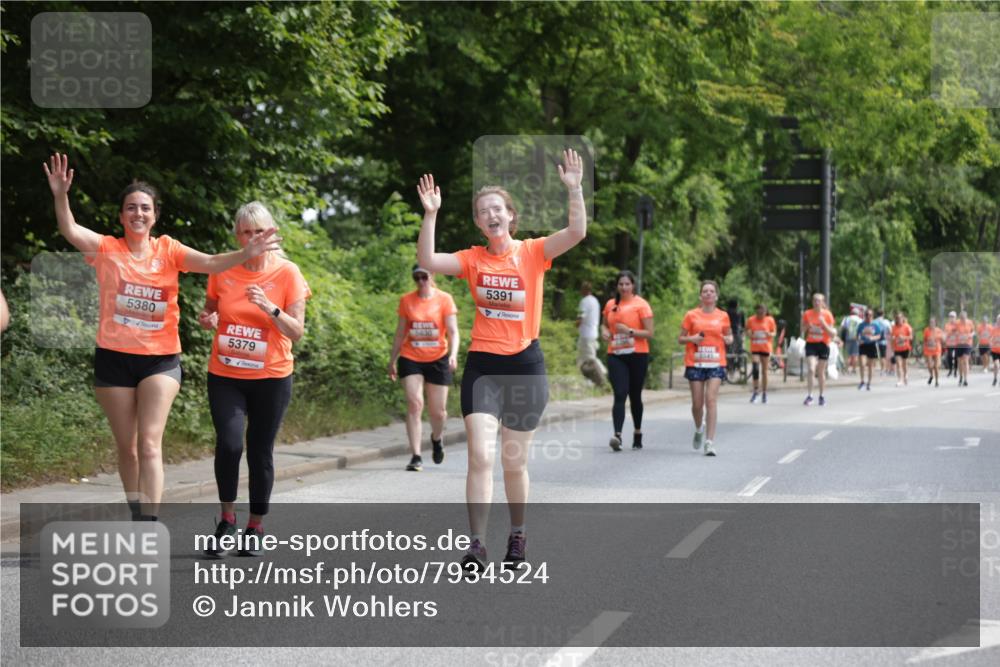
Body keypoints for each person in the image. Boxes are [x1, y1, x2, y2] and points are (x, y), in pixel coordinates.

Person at [43, 153, 280, 522]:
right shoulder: (107, 249)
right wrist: (61, 195)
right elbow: (70, 229)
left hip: (159, 360)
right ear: (121, 216)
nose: (138, 214)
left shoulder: (168, 250)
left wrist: (245, 253)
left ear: (154, 216)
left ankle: (148, 525)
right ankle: (138, 513)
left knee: (150, 443)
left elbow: (212, 262)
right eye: (131, 208)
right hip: (113, 360)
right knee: (128, 448)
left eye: (145, 208)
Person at [415, 148, 586, 572]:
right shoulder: (473, 259)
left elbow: (577, 232)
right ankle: (475, 544)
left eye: (497, 208)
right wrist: (431, 214)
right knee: (480, 456)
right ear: (478, 222)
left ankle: (517, 534)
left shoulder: (532, 253)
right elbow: (428, 261)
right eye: (482, 211)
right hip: (483, 368)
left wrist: (575, 189)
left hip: (525, 366)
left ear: (510, 215)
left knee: (514, 462)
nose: (491, 214)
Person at [197, 202, 309, 556]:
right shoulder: (223, 268)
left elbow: (297, 332)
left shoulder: (288, 273)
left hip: (272, 376)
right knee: (230, 444)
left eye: (258, 231)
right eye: (245, 232)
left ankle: (255, 526)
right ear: (237, 236)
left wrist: (270, 308)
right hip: (226, 373)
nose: (252, 238)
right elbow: (212, 305)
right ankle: (227, 520)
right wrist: (208, 317)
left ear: (272, 234)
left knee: (260, 450)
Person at [388, 266, 459, 471]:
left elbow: (453, 332)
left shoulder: (444, 299)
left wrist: (453, 355)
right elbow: (400, 333)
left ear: (432, 276)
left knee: (438, 412)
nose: (420, 281)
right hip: (411, 357)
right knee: (415, 403)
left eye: (424, 277)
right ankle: (416, 455)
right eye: (416, 278)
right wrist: (392, 360)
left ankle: (437, 438)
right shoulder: (407, 300)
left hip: (438, 358)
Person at [600, 270, 654, 451]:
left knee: (635, 395)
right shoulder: (610, 305)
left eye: (627, 284)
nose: (624, 287)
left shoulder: (642, 305)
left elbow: (649, 333)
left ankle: (638, 432)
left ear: (633, 286)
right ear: (617, 286)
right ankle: (617, 436)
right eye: (621, 284)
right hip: (615, 353)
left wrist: (629, 332)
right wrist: (604, 332)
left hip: (638, 354)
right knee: (620, 393)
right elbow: (605, 325)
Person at [678, 280, 733, 457]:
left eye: (711, 291)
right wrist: (692, 338)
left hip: (716, 362)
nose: (708, 293)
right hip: (695, 362)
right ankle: (698, 427)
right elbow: (681, 339)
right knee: (697, 403)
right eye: (705, 291)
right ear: (700, 296)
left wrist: (729, 340)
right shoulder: (691, 315)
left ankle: (709, 442)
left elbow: (729, 335)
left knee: (711, 400)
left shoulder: (723, 316)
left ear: (716, 296)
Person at [801, 292, 838, 406]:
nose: (816, 302)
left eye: (819, 301)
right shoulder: (807, 314)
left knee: (821, 371)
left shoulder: (827, 315)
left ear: (823, 303)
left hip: (823, 344)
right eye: (815, 300)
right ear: (812, 302)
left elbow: (832, 334)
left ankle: (821, 396)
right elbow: (801, 330)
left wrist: (823, 324)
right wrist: (807, 326)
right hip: (811, 344)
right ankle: (810, 396)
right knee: (811, 369)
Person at [575, 281, 606, 386]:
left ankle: (603, 377)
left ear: (584, 290)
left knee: (589, 359)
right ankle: (588, 381)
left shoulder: (584, 301)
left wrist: (575, 325)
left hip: (586, 335)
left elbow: (580, 318)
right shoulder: (595, 301)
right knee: (582, 359)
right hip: (593, 333)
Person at [746, 304, 777, 403]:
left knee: (764, 371)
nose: (760, 315)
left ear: (765, 312)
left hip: (765, 347)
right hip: (755, 346)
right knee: (755, 368)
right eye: (759, 313)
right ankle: (755, 391)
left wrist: (769, 334)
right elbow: (747, 331)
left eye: (762, 313)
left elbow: (774, 333)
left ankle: (764, 392)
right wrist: (750, 333)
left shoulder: (770, 320)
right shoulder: (751, 320)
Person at [856, 308, 883, 391]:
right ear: (864, 316)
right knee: (862, 364)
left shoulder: (876, 324)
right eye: (866, 315)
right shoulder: (861, 325)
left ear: (872, 316)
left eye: (870, 315)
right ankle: (862, 381)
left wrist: (873, 338)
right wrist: (859, 340)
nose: (868, 316)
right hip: (863, 345)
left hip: (872, 345)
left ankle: (869, 383)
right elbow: (857, 335)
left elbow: (879, 335)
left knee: (870, 365)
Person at [724, 297, 745, 383]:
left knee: (728, 351)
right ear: (737, 305)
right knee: (739, 350)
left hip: (728, 333)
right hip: (737, 334)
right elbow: (743, 325)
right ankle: (740, 366)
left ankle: (729, 369)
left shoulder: (725, 312)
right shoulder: (740, 312)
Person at [890, 311, 913, 387]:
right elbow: (892, 337)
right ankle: (900, 379)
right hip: (897, 348)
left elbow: (911, 337)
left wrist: (904, 337)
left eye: (900, 318)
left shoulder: (907, 327)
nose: (899, 319)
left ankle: (906, 375)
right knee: (898, 364)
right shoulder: (894, 327)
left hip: (905, 348)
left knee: (904, 364)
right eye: (897, 318)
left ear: (903, 318)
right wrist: (893, 339)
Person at [954, 310, 975, 387]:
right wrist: (957, 334)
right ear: (959, 317)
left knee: (965, 360)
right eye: (961, 317)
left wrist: (970, 335)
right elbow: (954, 332)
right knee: (959, 362)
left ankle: (966, 379)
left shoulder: (970, 323)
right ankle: (960, 377)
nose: (962, 319)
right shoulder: (957, 323)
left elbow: (973, 332)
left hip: (967, 343)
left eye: (964, 317)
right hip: (959, 344)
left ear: (966, 317)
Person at [840, 307, 862, 375]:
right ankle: (854, 369)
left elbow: (842, 327)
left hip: (848, 338)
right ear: (858, 313)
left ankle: (847, 368)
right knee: (855, 354)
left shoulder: (846, 318)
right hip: (856, 338)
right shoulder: (860, 320)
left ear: (851, 312)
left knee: (848, 354)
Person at [923, 317, 944, 387]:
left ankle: (937, 381)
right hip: (928, 350)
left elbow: (943, 339)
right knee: (929, 365)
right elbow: (925, 340)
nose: (931, 324)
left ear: (935, 323)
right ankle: (931, 375)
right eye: (930, 322)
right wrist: (925, 348)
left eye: (933, 322)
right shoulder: (926, 330)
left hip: (937, 350)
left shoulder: (939, 330)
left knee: (936, 366)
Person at [874, 308, 891, 375]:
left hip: (874, 341)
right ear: (883, 314)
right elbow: (890, 331)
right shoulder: (886, 322)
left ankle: (873, 369)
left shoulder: (874, 322)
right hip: (883, 341)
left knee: (873, 356)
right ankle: (883, 370)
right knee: (883, 356)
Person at [944, 311, 958, 377]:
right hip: (949, 343)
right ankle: (950, 370)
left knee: (955, 357)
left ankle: (955, 370)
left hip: (956, 343)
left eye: (953, 317)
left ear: (955, 317)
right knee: (949, 356)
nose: (951, 318)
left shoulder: (958, 324)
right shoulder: (947, 325)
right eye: (950, 317)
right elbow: (945, 333)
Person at [991, 314, 1000, 387]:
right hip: (995, 350)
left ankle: (997, 379)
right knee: (996, 365)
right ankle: (995, 378)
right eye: (998, 320)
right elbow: (990, 338)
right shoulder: (993, 329)